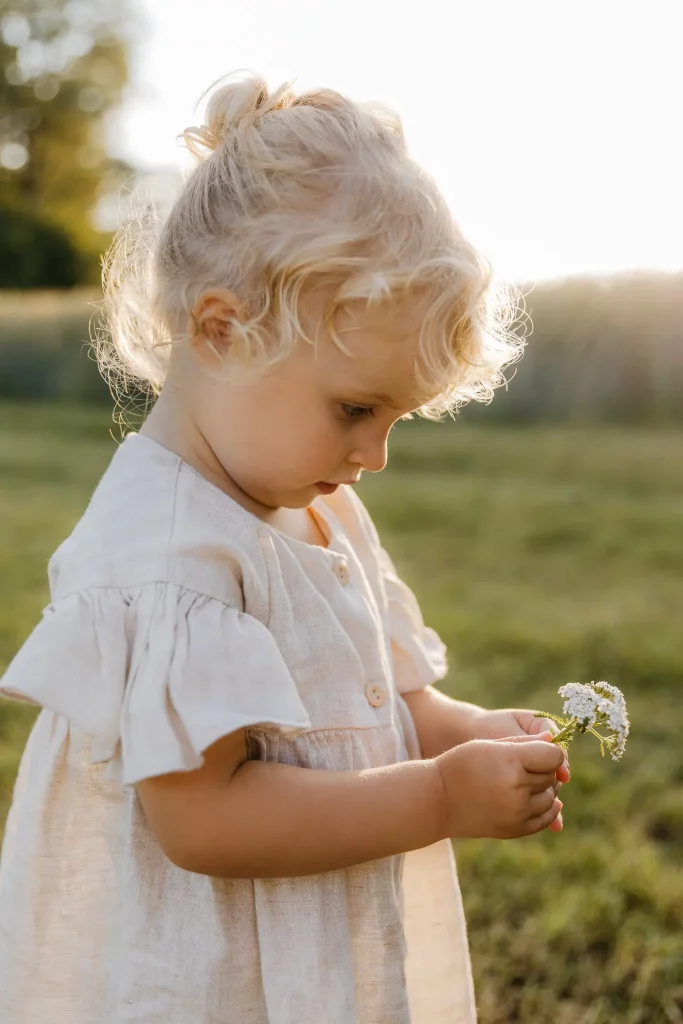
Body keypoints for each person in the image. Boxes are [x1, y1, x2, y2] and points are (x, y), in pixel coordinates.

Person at [0, 73, 569, 1024]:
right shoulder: (167, 555)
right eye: (355, 408)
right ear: (221, 331)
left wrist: (467, 735)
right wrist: (436, 798)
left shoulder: (319, 508)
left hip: (307, 955)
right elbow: (205, 820)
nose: (374, 454)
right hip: (202, 975)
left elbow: (389, 702)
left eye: (395, 418)